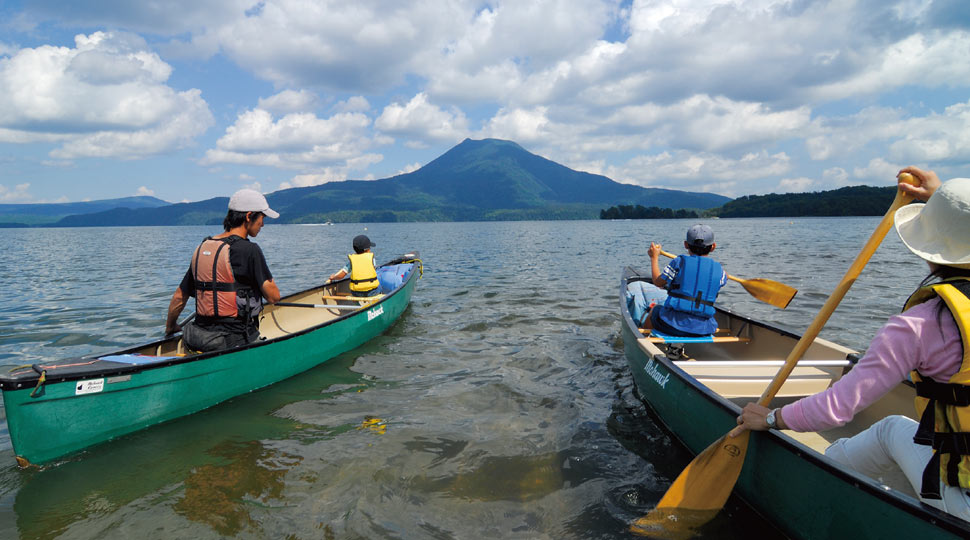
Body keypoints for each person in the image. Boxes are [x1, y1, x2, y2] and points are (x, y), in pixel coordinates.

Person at [735, 166, 970, 521]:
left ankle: (822, 501)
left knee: (889, 429)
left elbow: (837, 408)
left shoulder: (921, 325)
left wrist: (769, 418)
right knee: (900, 430)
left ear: (929, 247)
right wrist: (945, 201)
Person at [165, 189, 281, 352]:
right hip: (234, 340)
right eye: (262, 218)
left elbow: (179, 296)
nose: (263, 224)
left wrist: (170, 327)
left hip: (197, 337)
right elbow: (274, 297)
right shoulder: (250, 250)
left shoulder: (204, 247)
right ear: (249, 216)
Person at [640, 224, 728, 337]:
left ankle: (644, 339)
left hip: (672, 324)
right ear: (713, 246)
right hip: (704, 329)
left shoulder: (679, 262)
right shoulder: (720, 271)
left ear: (686, 244)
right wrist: (725, 274)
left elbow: (658, 282)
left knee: (655, 310)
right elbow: (723, 279)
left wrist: (654, 258)